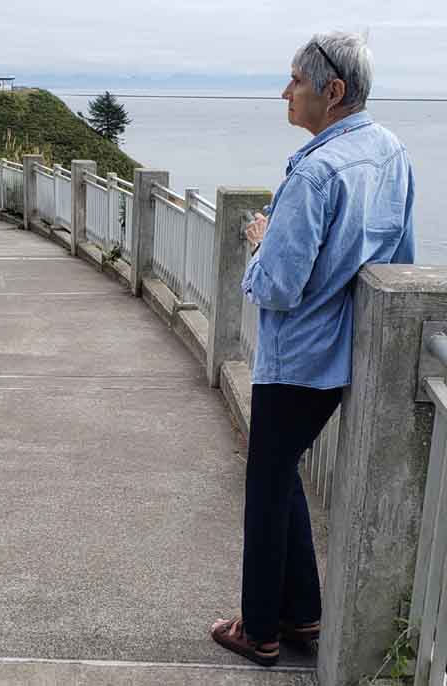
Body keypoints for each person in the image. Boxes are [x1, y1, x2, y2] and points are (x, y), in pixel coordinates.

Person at [210, 31, 415, 666]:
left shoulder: (316, 171)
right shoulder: (390, 152)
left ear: (333, 91)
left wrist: (260, 241)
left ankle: (261, 630)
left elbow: (275, 286)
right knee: (282, 472)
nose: (285, 91)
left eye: (295, 80)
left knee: (267, 485)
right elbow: (401, 260)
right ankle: (303, 616)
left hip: (295, 356)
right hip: (345, 352)